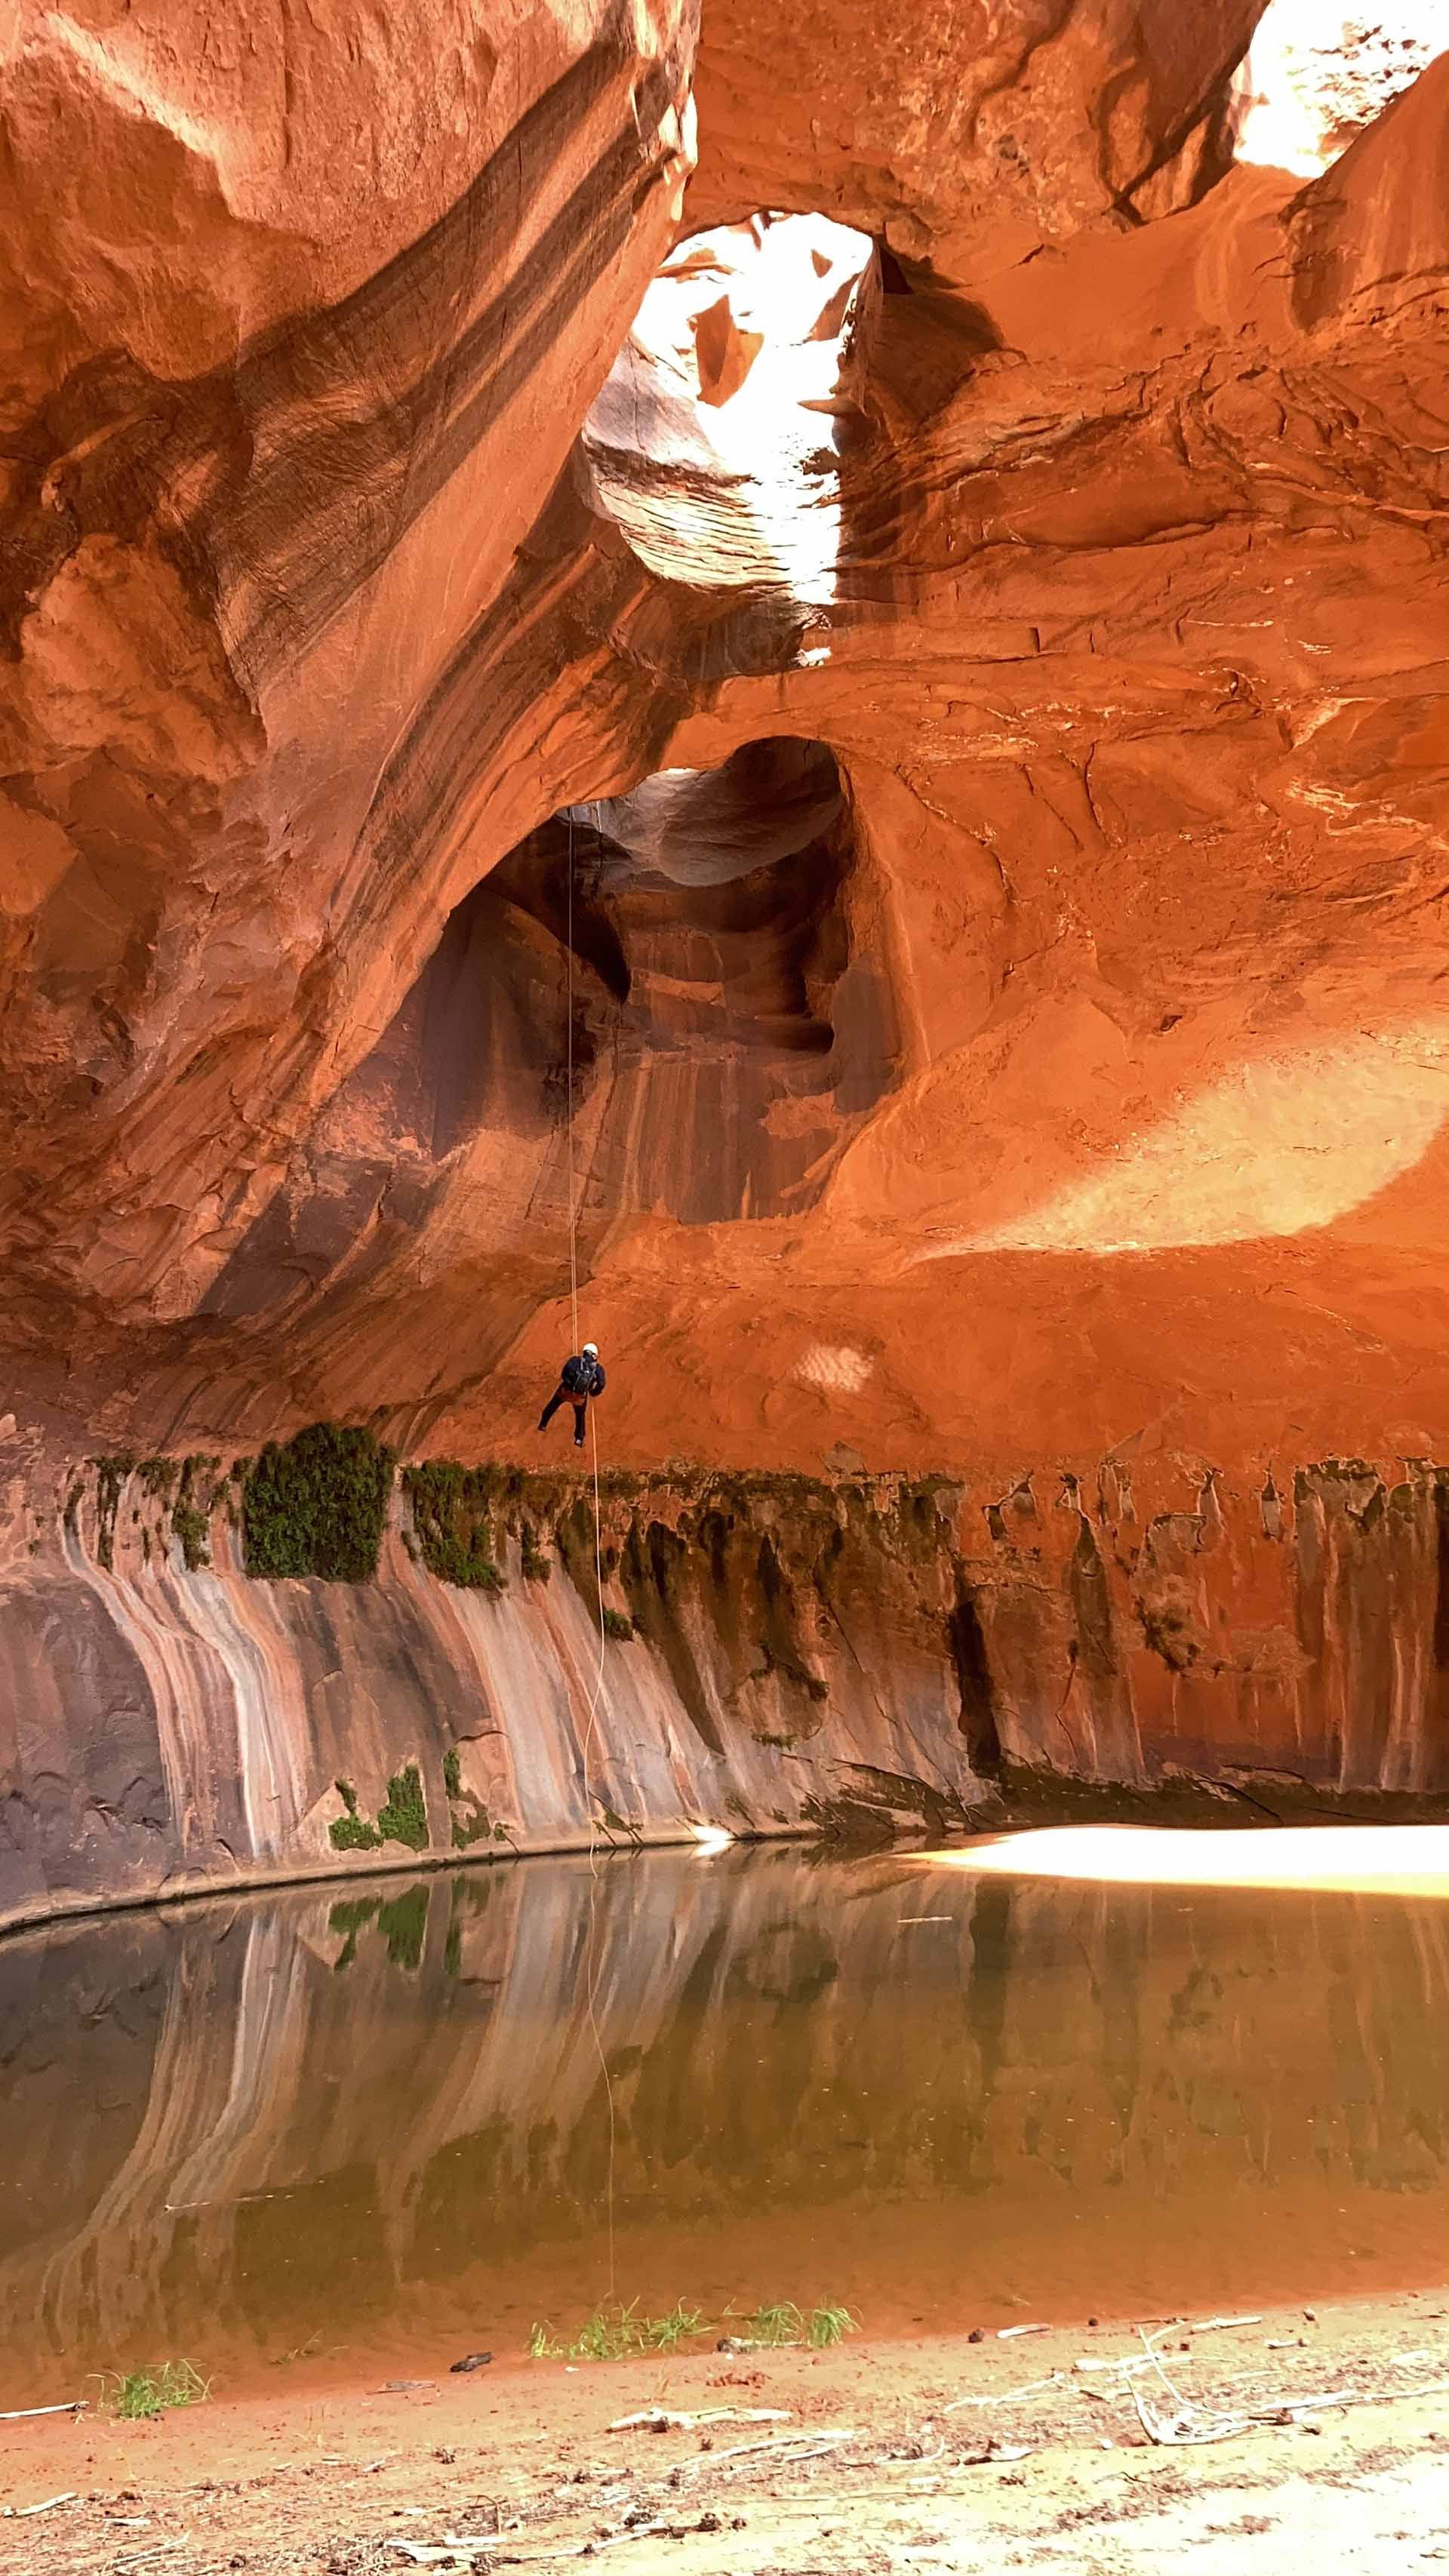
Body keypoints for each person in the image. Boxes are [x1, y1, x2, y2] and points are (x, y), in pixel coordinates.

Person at [537, 1343, 606, 1448]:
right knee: (580, 1415)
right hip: (580, 1397)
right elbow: (601, 1383)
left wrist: (569, 1384)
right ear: (594, 1355)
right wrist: (593, 1392)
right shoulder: (598, 1368)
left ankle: (543, 1424)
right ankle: (579, 1438)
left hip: (566, 1391)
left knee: (552, 1405)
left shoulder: (575, 1360)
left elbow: (564, 1373)